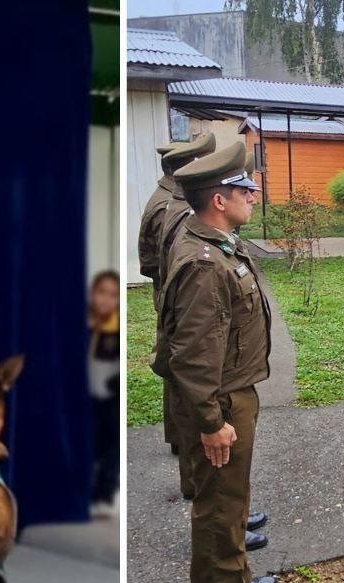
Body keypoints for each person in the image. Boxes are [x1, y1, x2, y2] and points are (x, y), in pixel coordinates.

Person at [153, 142, 276, 583]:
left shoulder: (218, 243)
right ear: (219, 200)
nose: (254, 193)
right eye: (243, 187)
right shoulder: (205, 264)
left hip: (231, 391)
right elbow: (193, 356)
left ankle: (236, 574)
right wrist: (210, 422)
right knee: (218, 500)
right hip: (218, 400)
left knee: (231, 495)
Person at [140, 134, 215, 464]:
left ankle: (179, 440)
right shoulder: (171, 206)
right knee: (183, 373)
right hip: (176, 295)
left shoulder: (167, 199)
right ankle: (186, 447)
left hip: (169, 292)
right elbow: (163, 259)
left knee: (176, 371)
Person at [88, 270, 120, 518]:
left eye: (113, 295)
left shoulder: (116, 329)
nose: (106, 300)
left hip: (109, 397)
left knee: (111, 445)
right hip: (86, 396)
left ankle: (104, 492)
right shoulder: (85, 325)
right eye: (101, 293)